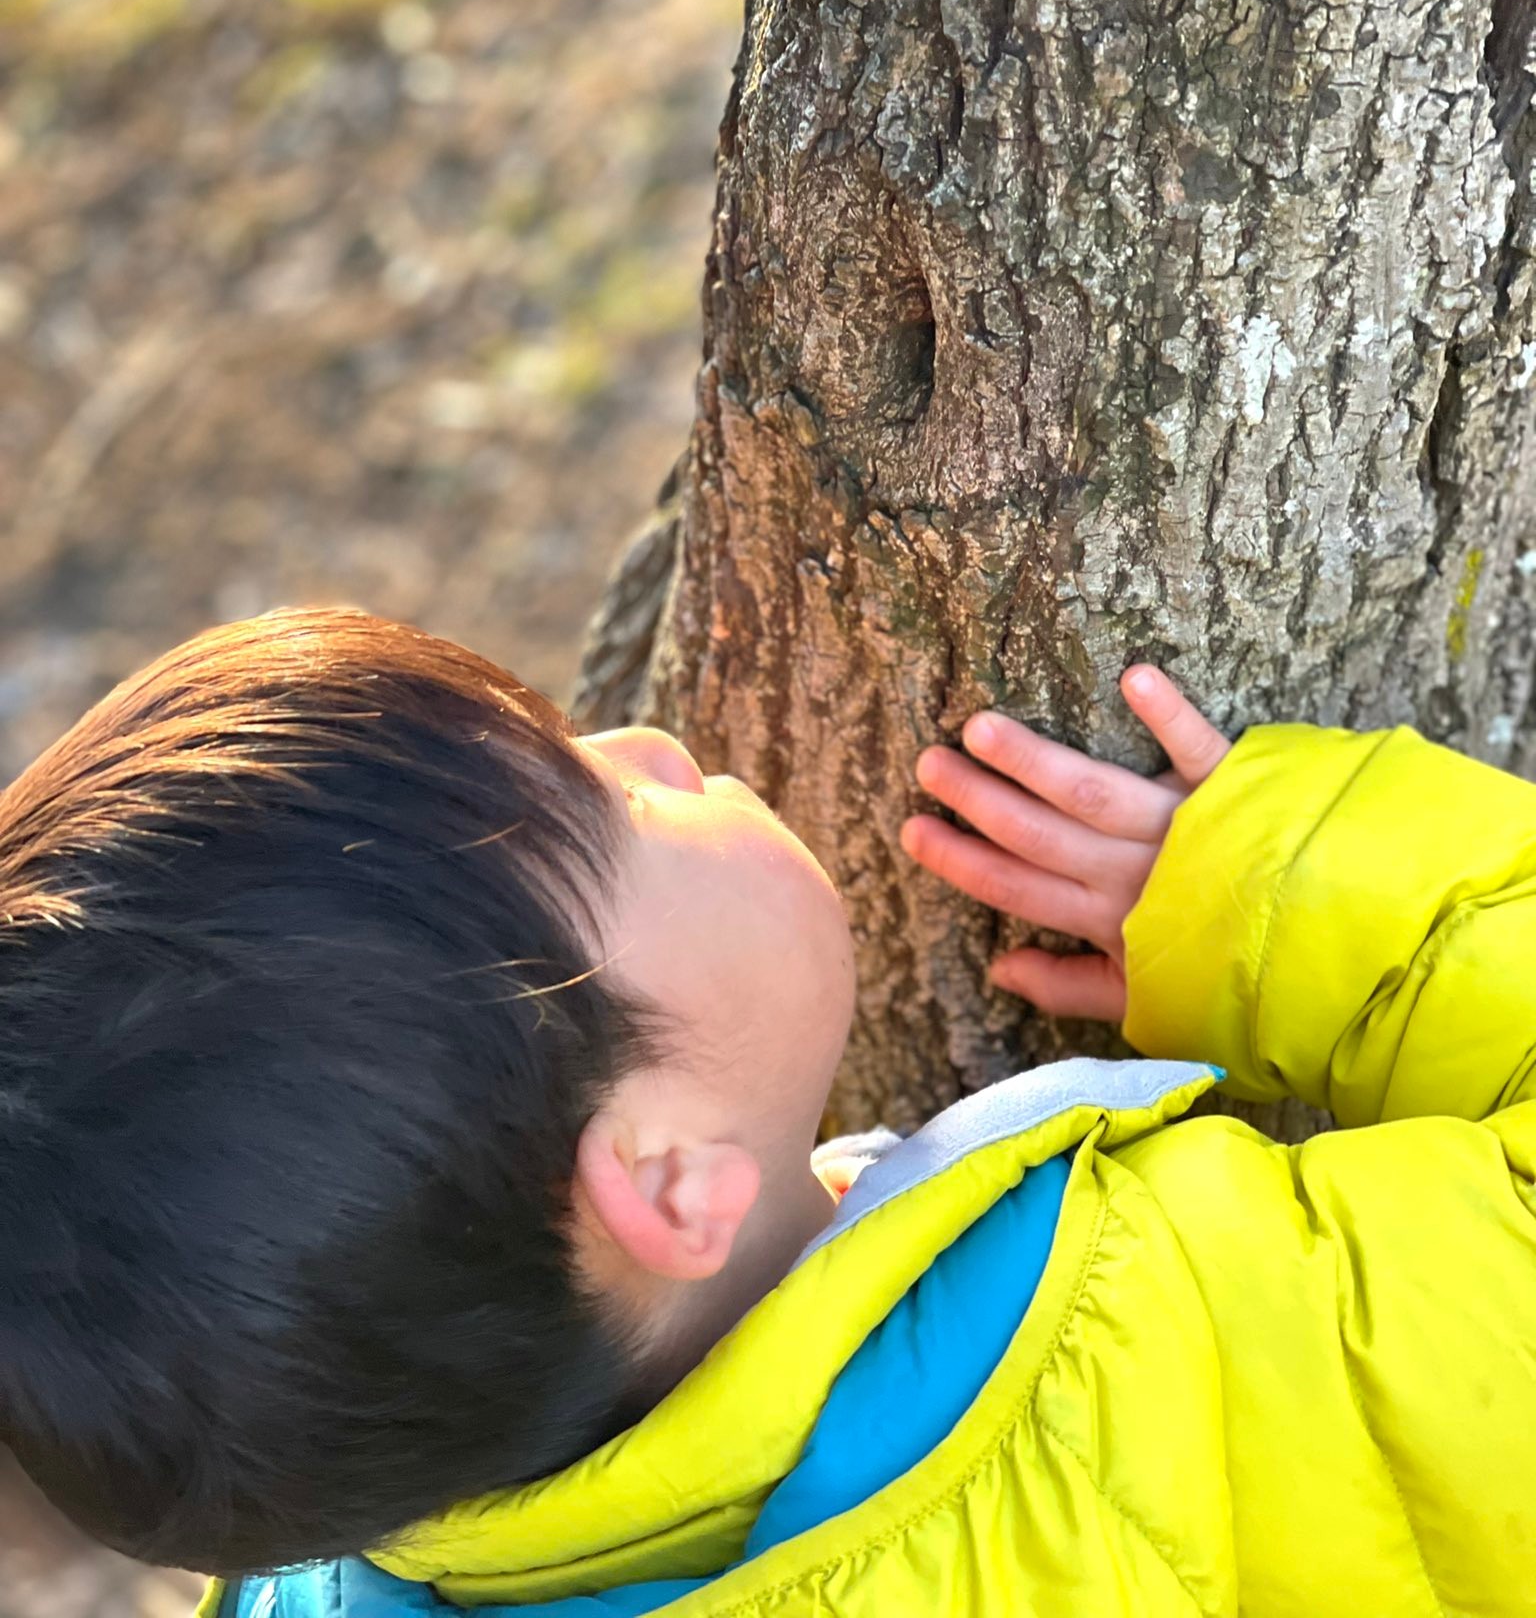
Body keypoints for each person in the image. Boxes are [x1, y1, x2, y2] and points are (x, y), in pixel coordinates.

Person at [0, 606, 1531, 1616]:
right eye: (604, 813)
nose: (644, 741)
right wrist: (1291, 911)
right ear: (668, 1182)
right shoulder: (1181, 1340)